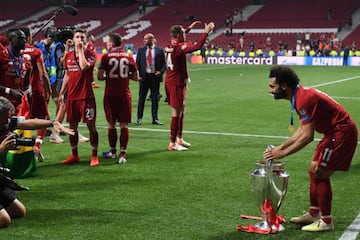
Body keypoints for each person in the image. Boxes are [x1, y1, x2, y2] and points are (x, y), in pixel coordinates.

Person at [263, 65, 358, 232]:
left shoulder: (303, 99)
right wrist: (281, 147)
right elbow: (302, 129)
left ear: (284, 85)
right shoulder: (299, 95)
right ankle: (314, 213)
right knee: (313, 169)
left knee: (321, 173)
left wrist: (282, 153)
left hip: (340, 133)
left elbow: (308, 136)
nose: (270, 91)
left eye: (272, 86)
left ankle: (326, 221)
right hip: (332, 133)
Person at [0, 96, 74, 228]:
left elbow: (29, 123)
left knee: (18, 211)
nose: (8, 120)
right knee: (4, 220)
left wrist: (52, 123)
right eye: (6, 117)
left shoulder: (6, 122)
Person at [164, 21, 215, 151]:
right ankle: (172, 143)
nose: (185, 35)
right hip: (176, 84)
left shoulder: (170, 45)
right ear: (179, 35)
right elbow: (198, 46)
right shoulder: (179, 48)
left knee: (181, 109)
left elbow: (179, 38)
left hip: (174, 82)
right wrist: (206, 32)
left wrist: (187, 29)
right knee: (176, 112)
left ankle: (179, 139)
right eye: (183, 34)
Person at [59, 28, 99, 167]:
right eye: (78, 37)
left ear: (86, 40)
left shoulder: (91, 54)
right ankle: (74, 154)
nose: (80, 39)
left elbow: (83, 67)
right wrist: (61, 93)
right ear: (73, 39)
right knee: (72, 127)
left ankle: (94, 155)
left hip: (86, 97)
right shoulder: (68, 56)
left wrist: (80, 50)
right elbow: (67, 75)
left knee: (91, 127)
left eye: (83, 37)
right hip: (72, 98)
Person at [97, 33, 139, 164]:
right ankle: (123, 154)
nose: (107, 44)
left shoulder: (105, 56)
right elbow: (136, 77)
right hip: (124, 94)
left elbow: (99, 77)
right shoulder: (129, 56)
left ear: (112, 43)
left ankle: (113, 151)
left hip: (110, 95)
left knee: (111, 124)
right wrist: (125, 77)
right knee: (124, 124)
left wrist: (109, 77)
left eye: (108, 42)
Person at [19, 26, 52, 162]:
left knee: (19, 120)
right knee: (44, 118)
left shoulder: (14, 51)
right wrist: (48, 89)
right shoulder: (36, 51)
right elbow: (43, 73)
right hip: (36, 90)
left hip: (20, 91)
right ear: (28, 37)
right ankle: (37, 145)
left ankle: (17, 149)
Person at [136, 33, 166, 125]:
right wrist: (139, 75)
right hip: (144, 78)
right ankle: (139, 118)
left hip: (154, 77)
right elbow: (137, 63)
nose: (144, 41)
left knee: (154, 99)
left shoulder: (159, 50)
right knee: (142, 98)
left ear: (152, 39)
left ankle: (155, 118)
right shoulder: (141, 50)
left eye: (146, 39)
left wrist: (160, 72)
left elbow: (164, 64)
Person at [0, 29, 31, 112]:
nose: (24, 41)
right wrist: (9, 91)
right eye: (20, 39)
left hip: (19, 104)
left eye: (24, 38)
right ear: (11, 41)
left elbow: (26, 84)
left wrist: (27, 92)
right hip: (3, 104)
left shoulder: (26, 61)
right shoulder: (2, 57)